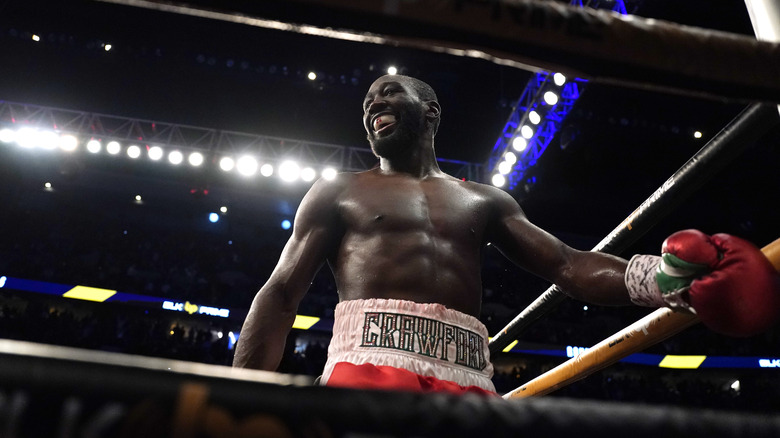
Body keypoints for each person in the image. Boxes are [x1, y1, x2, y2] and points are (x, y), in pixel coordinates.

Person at [232, 75, 780, 395]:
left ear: (430, 111)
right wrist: (237, 401)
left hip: (470, 380)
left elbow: (566, 266)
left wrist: (663, 280)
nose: (372, 103)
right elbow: (281, 295)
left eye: (387, 92)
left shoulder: (484, 200)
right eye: (367, 101)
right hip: (369, 368)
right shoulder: (338, 191)